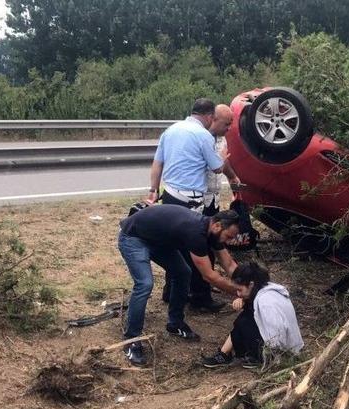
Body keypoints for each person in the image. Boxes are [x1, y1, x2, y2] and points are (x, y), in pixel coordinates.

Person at [118, 205, 241, 366]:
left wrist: (248, 283)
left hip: (158, 240)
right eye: (229, 236)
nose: (229, 241)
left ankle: (175, 323)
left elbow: (229, 264)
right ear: (217, 226)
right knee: (145, 284)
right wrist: (239, 291)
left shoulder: (213, 232)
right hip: (133, 238)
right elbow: (209, 276)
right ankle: (132, 339)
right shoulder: (196, 233)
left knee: (183, 273)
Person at [149, 99, 240, 312]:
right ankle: (200, 298)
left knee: (174, 245)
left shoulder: (171, 130)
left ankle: (171, 291)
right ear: (210, 117)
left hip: (170, 196)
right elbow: (217, 168)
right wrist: (222, 157)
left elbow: (157, 162)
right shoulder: (202, 136)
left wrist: (153, 190)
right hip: (190, 201)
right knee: (197, 246)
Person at [202, 262, 304, 369]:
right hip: (291, 346)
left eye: (240, 290)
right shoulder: (268, 291)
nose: (238, 294)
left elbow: (277, 331)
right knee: (246, 316)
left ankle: (256, 357)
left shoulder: (266, 303)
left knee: (243, 321)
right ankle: (224, 354)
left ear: (251, 284)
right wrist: (243, 300)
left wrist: (273, 357)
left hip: (282, 350)